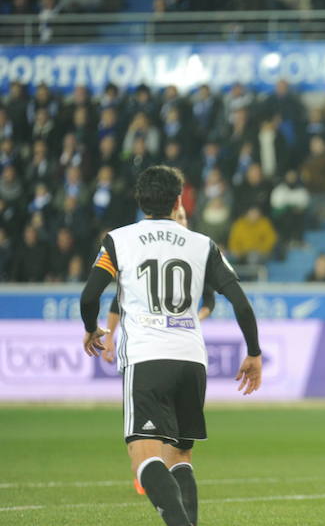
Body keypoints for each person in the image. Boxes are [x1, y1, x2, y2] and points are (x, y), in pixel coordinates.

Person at [80, 166, 262, 526]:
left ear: (140, 200)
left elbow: (89, 296)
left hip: (147, 357)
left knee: (143, 456)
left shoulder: (118, 240)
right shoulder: (202, 243)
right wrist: (254, 352)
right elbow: (241, 302)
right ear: (179, 200)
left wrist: (91, 329)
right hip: (191, 359)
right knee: (180, 456)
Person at [101, 205, 218, 496]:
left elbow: (209, 299)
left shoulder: (195, 252)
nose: (177, 222)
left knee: (174, 446)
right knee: (161, 439)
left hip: (174, 347)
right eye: (175, 216)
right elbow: (119, 301)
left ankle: (152, 473)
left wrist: (194, 317)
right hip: (153, 346)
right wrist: (110, 333)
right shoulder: (145, 252)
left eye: (182, 218)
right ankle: (151, 472)